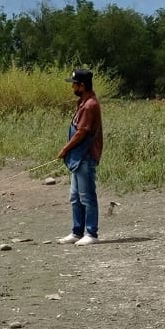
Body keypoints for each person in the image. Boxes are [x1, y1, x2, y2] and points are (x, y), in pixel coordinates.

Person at [57, 68, 103, 246]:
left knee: (87, 196)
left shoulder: (91, 104)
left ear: (82, 85)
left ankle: (91, 233)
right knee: (75, 197)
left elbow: (82, 132)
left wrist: (64, 149)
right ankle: (77, 232)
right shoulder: (83, 102)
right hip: (78, 157)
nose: (72, 87)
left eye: (74, 84)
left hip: (86, 155)